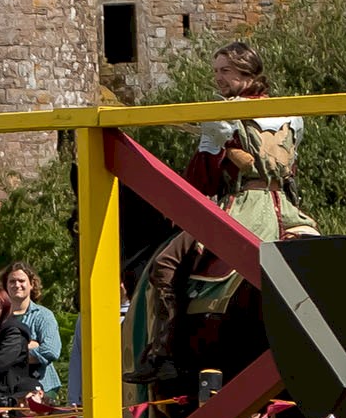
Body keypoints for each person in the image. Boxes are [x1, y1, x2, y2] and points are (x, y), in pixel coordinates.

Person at [132, 42, 318, 386]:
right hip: (287, 211)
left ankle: (163, 353)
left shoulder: (222, 113)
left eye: (225, 71)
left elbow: (202, 179)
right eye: (216, 71)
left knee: (164, 264)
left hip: (240, 208)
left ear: (247, 73)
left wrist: (217, 151)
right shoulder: (292, 113)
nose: (218, 79)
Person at [0, 263, 62, 397]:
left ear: (31, 284)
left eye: (21, 281)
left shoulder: (43, 315)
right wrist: (30, 347)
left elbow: (51, 351)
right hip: (8, 390)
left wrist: (12, 354)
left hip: (41, 389)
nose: (17, 285)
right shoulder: (0, 318)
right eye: (12, 281)